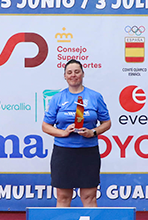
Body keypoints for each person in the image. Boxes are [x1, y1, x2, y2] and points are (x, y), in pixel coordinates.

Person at [42, 59, 111, 207]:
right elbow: (46, 126)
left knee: (89, 197)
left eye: (77, 72)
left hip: (88, 152)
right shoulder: (57, 98)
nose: (73, 75)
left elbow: (107, 123)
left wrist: (92, 132)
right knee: (63, 197)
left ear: (83, 74)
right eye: (69, 72)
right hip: (63, 153)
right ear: (65, 76)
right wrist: (63, 133)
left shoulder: (95, 97)